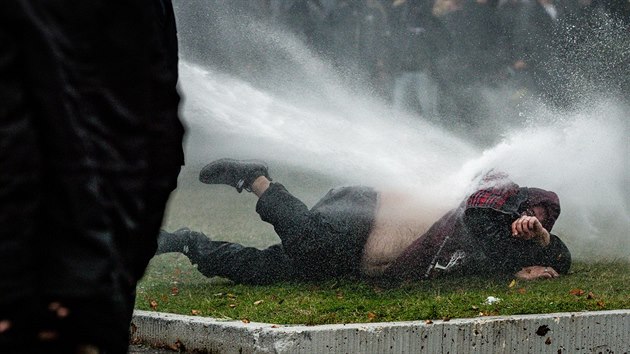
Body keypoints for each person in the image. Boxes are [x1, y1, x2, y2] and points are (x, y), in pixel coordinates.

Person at [0, 0, 184, 353]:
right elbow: (162, 134)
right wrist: (122, 265)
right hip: (104, 273)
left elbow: (13, 148)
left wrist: (11, 291)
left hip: (39, 283)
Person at [156, 158, 571, 285]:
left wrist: (543, 244)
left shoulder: (505, 259)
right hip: (360, 213)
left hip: (350, 258)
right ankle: (255, 179)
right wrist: (523, 223)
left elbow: (561, 257)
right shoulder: (491, 206)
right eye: (531, 214)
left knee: (268, 269)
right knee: (314, 244)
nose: (529, 221)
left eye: (538, 222)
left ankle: (187, 243)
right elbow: (486, 206)